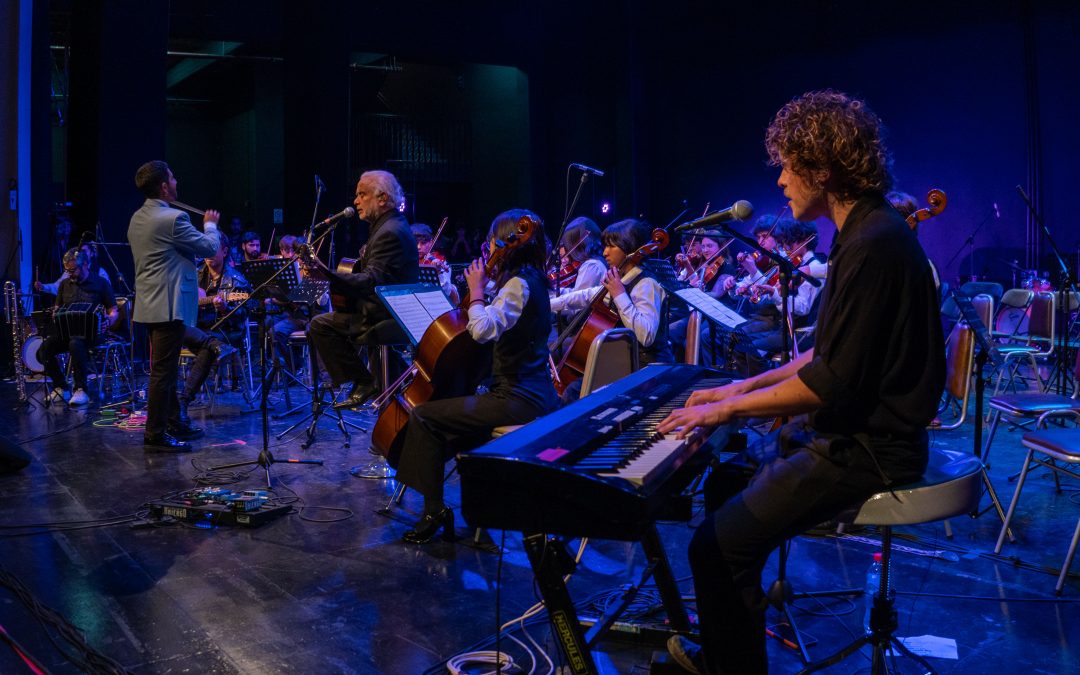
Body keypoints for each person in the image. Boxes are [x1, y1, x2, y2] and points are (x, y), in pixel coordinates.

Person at [659, 90, 945, 674]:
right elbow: (823, 353)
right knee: (723, 487)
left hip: (869, 451)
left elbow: (830, 383)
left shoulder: (876, 243)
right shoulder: (863, 233)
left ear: (823, 167)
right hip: (854, 438)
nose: (782, 181)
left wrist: (723, 413)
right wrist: (733, 391)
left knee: (713, 547)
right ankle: (728, 646)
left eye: (790, 166)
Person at [393, 209, 558, 544]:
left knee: (425, 416)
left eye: (492, 241)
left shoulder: (517, 285)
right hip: (534, 393)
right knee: (451, 427)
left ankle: (434, 511)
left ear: (507, 243)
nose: (488, 248)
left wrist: (477, 290)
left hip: (518, 398)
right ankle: (471, 511)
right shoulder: (536, 279)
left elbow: (482, 330)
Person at [304, 170, 419, 409]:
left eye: (362, 194)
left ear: (382, 198)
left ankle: (365, 381)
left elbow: (371, 282)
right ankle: (391, 378)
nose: (355, 201)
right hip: (383, 310)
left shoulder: (389, 232)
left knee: (320, 325)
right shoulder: (388, 226)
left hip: (385, 315)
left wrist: (327, 275)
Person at [128, 160, 221, 452]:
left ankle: (174, 423)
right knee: (163, 374)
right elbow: (209, 248)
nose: (177, 181)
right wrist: (210, 225)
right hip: (170, 305)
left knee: (162, 370)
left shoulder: (138, 218)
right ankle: (155, 434)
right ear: (165, 186)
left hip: (150, 304)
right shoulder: (173, 219)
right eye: (173, 178)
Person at [550, 218, 673, 399]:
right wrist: (547, 304)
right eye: (605, 246)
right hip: (624, 363)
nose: (605, 252)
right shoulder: (622, 279)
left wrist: (619, 295)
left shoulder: (646, 283)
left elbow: (646, 336)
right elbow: (584, 296)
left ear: (629, 248)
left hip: (647, 368)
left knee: (575, 392)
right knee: (576, 389)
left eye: (611, 246)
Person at [175, 233, 245, 431]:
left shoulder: (236, 279)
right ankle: (171, 403)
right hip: (196, 328)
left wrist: (225, 310)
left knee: (208, 348)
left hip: (224, 332)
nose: (207, 254)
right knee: (170, 331)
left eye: (212, 249)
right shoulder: (193, 273)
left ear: (224, 251)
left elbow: (243, 316)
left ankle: (183, 401)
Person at [38, 248, 120, 406]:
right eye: (67, 270)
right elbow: (58, 308)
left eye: (73, 270)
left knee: (76, 344)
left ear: (86, 265)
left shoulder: (101, 283)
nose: (70, 273)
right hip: (68, 333)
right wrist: (55, 315)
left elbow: (113, 311)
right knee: (44, 349)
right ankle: (61, 386)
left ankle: (81, 389)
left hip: (94, 333)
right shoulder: (64, 285)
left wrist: (108, 321)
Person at [35, 242, 112, 295]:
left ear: (92, 254)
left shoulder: (100, 271)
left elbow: (107, 291)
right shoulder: (70, 270)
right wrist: (43, 287)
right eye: (80, 251)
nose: (82, 253)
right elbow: (58, 287)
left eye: (84, 251)